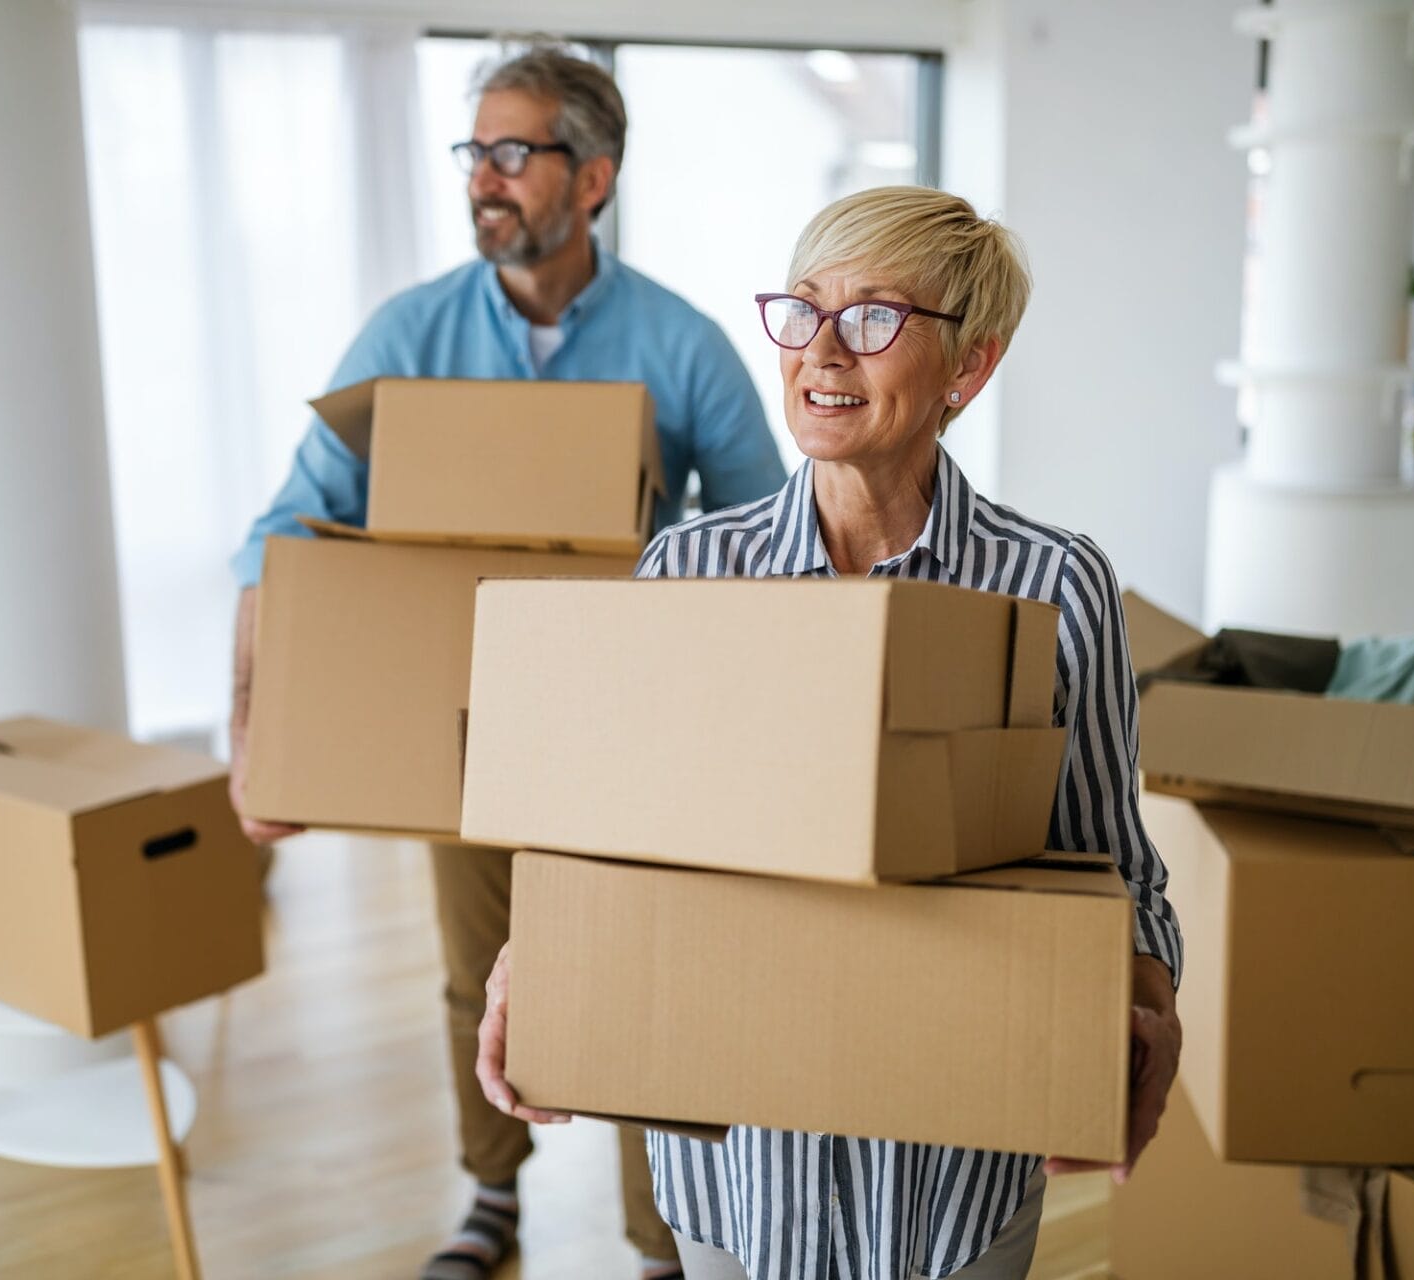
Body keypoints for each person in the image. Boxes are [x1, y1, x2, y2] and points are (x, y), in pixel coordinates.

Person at [474, 185, 1185, 1280]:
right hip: (735, 1176)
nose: (822, 353)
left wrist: (1146, 997)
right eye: (804, 310)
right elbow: (615, 853)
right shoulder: (691, 569)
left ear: (970, 366)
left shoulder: (1054, 585)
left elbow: (1110, 861)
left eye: (873, 317)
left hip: (955, 1171)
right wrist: (537, 966)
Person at [226, 45, 789, 1280]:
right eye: (473, 152)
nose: (484, 178)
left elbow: (778, 550)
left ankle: (661, 1243)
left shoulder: (683, 346)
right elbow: (281, 534)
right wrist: (253, 738)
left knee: (645, 977)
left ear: (594, 177)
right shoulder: (411, 332)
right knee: (473, 971)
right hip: (464, 727)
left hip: (633, 734)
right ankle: (490, 1196)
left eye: (513, 152)